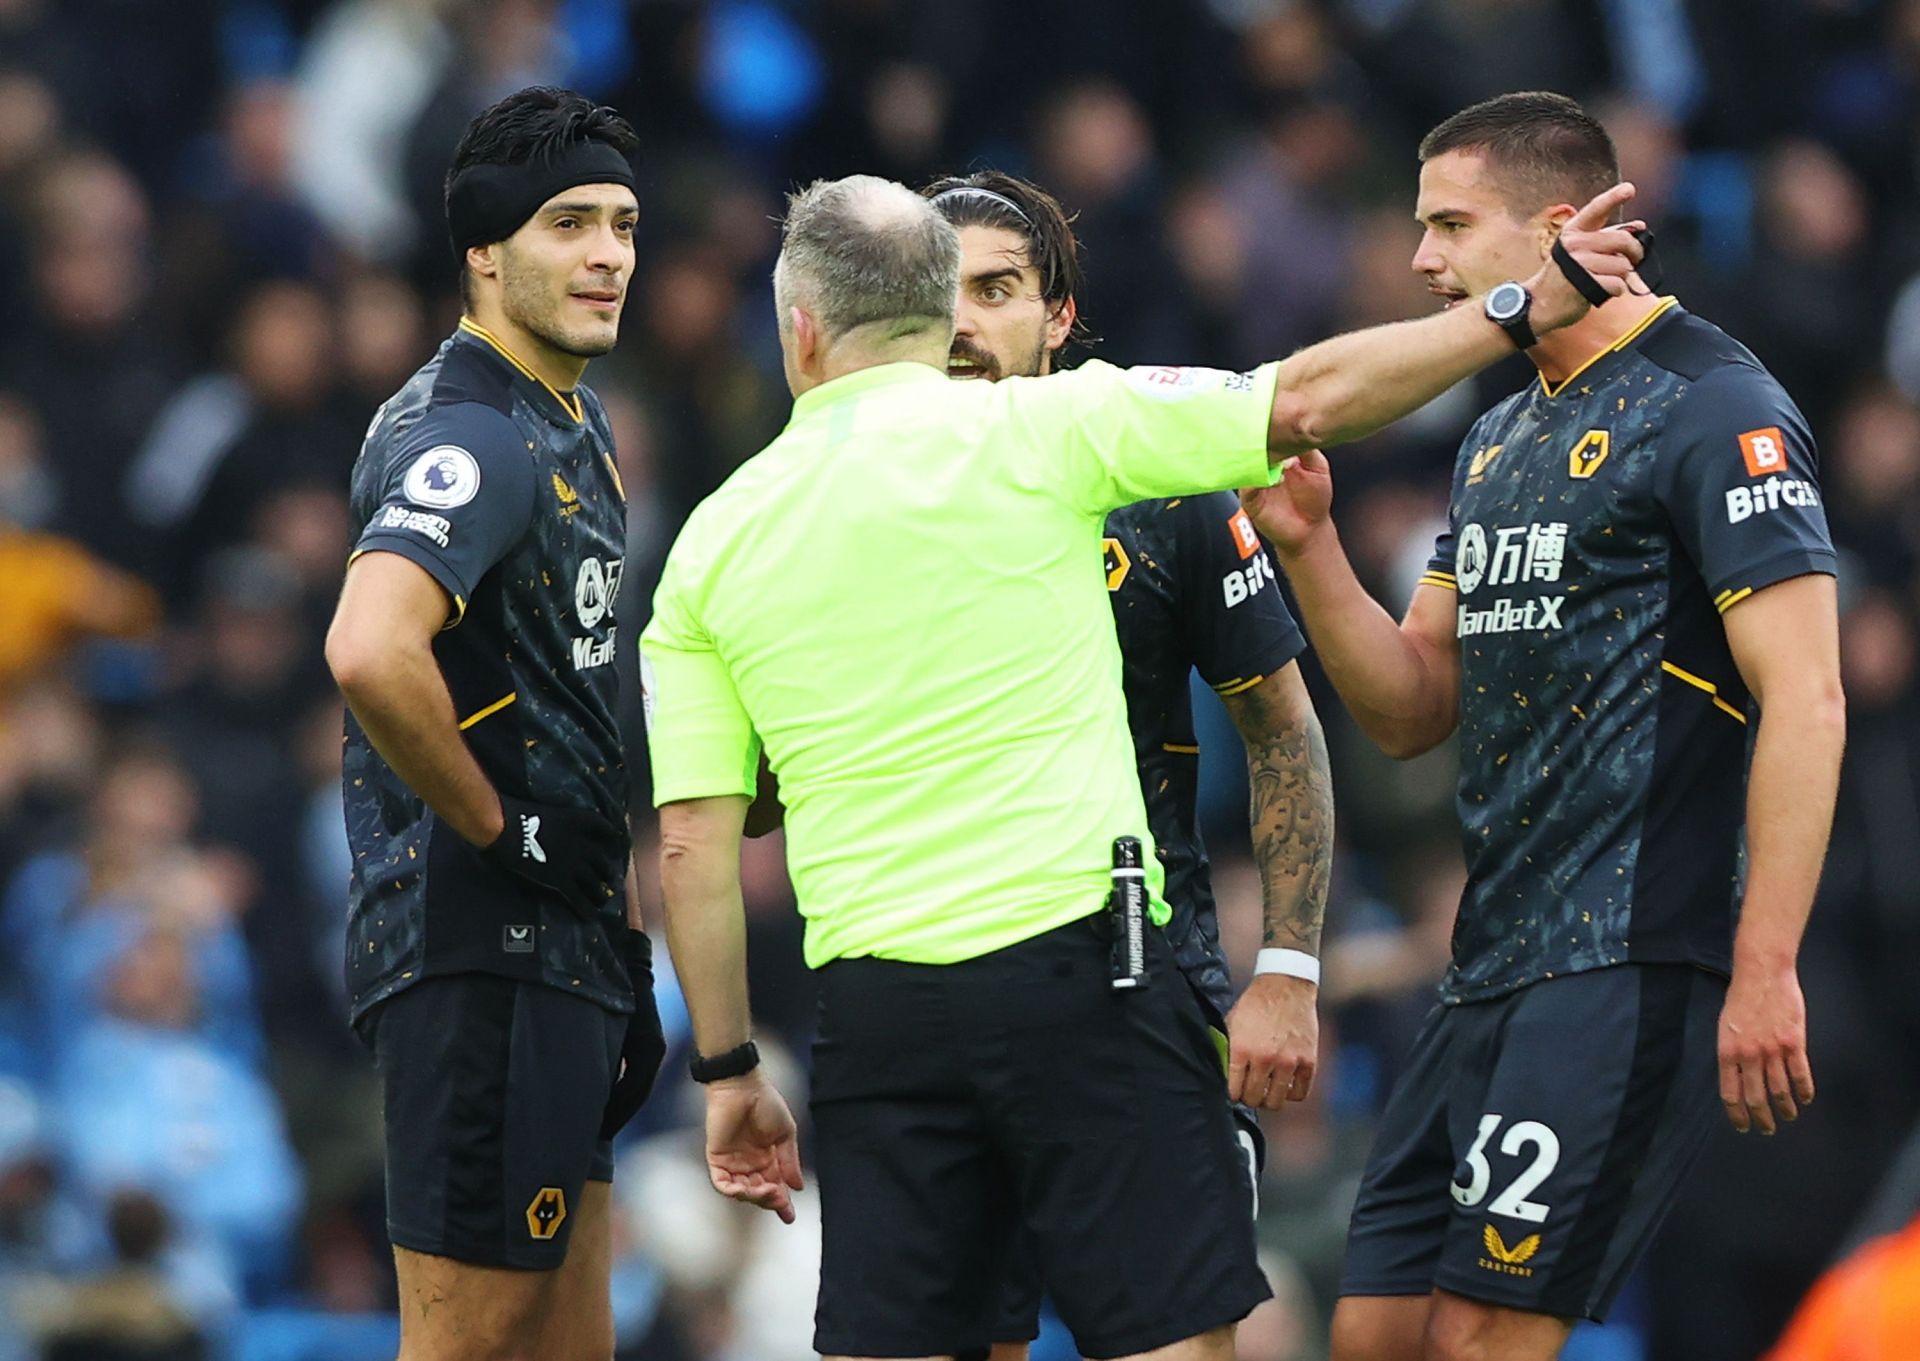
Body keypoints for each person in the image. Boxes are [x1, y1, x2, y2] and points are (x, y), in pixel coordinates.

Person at [640, 172, 1643, 1361]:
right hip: (1086, 971)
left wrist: (729, 1065)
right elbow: (1315, 394)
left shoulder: (712, 539)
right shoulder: (1054, 432)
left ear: (798, 330)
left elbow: (698, 840)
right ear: (929, 314)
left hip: (876, 1002)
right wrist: (1518, 306)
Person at [1238, 92, 1845, 1361]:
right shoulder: (1499, 435)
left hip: (1626, 962)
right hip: (1485, 966)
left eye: (1450, 224)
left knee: (1480, 1340)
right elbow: (1412, 707)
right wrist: (1310, 549)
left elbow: (1808, 694)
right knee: (1375, 1335)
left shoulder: (1715, 404)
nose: (1422, 260)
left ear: (1558, 229)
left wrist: (1767, 961)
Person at [921, 170, 1333, 1361]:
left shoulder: (1159, 490)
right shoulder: (854, 494)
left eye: (998, 289)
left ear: (1058, 318)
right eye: (938, 291)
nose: (963, 321)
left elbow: (1284, 730)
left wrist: (1289, 968)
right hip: (939, 995)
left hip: (1147, 986)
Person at [323, 86, 665, 1361]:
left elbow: (566, 693)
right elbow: (368, 646)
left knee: (568, 1344)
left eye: (624, 225)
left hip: (559, 949)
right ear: (483, 250)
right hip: (481, 944)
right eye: (569, 223)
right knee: (470, 1342)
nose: (609, 256)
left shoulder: (574, 417)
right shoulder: (474, 429)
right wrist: (504, 828)